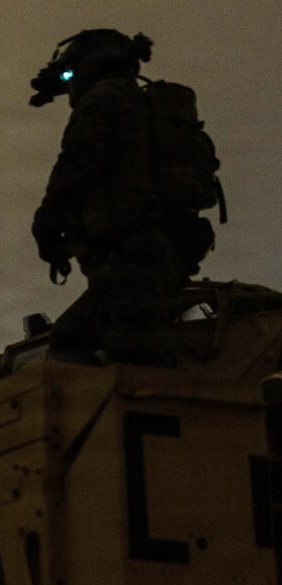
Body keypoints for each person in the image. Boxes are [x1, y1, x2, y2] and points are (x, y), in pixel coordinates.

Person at [30, 29, 215, 366]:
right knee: (80, 341)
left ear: (91, 65)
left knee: (136, 368)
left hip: (128, 262)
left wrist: (46, 222)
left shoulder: (104, 100)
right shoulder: (137, 102)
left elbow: (77, 165)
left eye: (72, 74)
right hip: (151, 258)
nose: (70, 85)